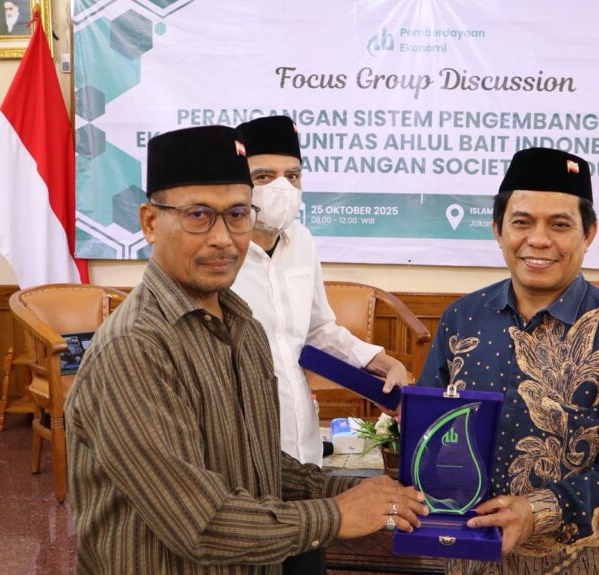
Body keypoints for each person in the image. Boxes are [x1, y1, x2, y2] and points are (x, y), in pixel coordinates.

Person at [65, 125, 427, 574]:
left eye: (237, 214)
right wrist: (337, 513)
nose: (222, 237)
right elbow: (200, 524)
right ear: (150, 222)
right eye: (198, 215)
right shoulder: (134, 349)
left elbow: (254, 461)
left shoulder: (242, 326)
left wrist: (348, 490)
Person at [417, 147, 599, 574]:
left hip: (580, 563)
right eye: (521, 222)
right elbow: (433, 428)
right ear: (498, 230)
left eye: (560, 225)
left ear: (589, 234)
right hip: (470, 557)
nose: (538, 240)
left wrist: (537, 512)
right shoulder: (462, 318)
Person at [231, 116, 410, 573]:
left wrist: (376, 360)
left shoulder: (303, 242)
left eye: (293, 175)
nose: (282, 187)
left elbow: (316, 329)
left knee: (307, 561)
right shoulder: (221, 254)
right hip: (240, 453)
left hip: (303, 448)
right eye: (264, 177)